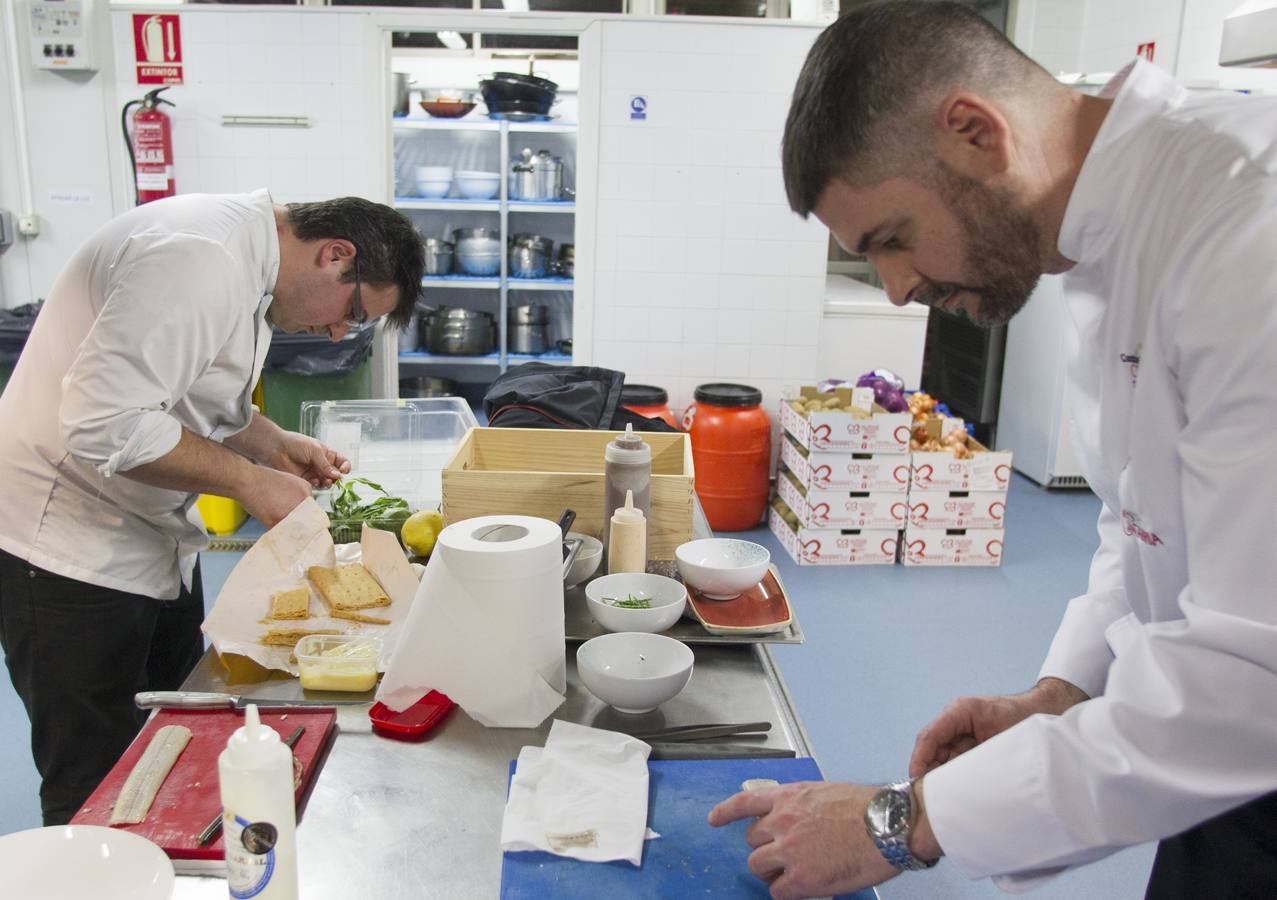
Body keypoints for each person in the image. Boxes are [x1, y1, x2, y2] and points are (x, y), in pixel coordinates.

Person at [708, 3, 1277, 898]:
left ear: (974, 132)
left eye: (891, 239)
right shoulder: (1119, 232)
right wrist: (1066, 687)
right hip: (1224, 779)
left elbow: (1255, 679)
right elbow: (1142, 524)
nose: (897, 291)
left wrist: (901, 823)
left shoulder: (1248, 228)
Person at [0, 190, 424, 825]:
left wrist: (271, 443)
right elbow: (104, 425)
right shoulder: (198, 257)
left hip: (151, 538)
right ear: (336, 255)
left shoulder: (247, 269)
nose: (339, 333)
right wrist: (250, 484)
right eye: (353, 311)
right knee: (94, 786)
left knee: (175, 742)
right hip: (67, 551)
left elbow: (187, 395)